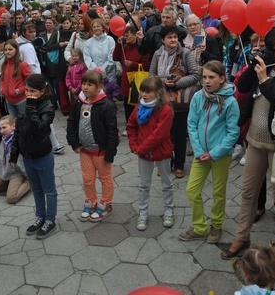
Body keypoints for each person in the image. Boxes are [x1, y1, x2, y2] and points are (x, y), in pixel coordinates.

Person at [221, 23, 275, 259]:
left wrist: (266, 80)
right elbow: (243, 87)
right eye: (273, 50)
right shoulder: (268, 62)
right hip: (255, 139)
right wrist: (256, 63)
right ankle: (241, 238)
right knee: (248, 192)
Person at [179, 61, 239, 244]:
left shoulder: (230, 102)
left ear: (222, 78)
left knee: (218, 192)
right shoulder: (198, 96)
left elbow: (233, 133)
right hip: (200, 153)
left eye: (211, 77)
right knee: (192, 190)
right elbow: (192, 123)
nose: (207, 81)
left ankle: (217, 225)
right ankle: (200, 227)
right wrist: (198, 150)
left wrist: (214, 153)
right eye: (204, 77)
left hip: (220, 155)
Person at [66, 70, 119, 222]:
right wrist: (74, 142)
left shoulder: (106, 105)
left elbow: (111, 130)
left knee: (105, 178)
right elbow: (71, 122)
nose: (85, 87)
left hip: (100, 151)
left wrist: (110, 153)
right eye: (84, 84)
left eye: (90, 85)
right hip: (85, 150)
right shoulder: (79, 102)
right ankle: (91, 202)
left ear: (99, 86)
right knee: (88, 179)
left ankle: (107, 204)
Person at [10, 74, 57, 239]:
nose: (29, 94)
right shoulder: (23, 106)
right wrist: (14, 154)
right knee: (36, 189)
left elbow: (40, 130)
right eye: (27, 90)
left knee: (49, 190)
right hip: (27, 157)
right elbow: (18, 131)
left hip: (42, 156)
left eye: (33, 91)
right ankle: (40, 217)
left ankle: (50, 219)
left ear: (42, 91)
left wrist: (31, 107)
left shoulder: (48, 107)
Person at [149, 25, 200, 178]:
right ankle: (165, 163)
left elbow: (195, 75)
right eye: (169, 37)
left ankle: (179, 165)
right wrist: (164, 81)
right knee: (164, 134)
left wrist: (177, 83)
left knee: (179, 134)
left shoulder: (185, 53)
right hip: (162, 100)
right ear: (163, 40)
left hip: (180, 101)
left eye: (175, 37)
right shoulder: (158, 54)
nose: (173, 40)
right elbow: (151, 75)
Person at [127, 76, 174, 231]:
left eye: (148, 92)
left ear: (159, 93)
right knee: (144, 185)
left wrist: (141, 149)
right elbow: (131, 125)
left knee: (166, 183)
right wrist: (134, 144)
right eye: (143, 91)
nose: (144, 95)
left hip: (161, 152)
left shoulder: (165, 109)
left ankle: (168, 210)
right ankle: (143, 213)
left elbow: (158, 135)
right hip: (144, 153)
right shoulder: (139, 107)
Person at [0, 115, 30, 203]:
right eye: (0, 128)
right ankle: (8, 184)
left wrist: (27, 175)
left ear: (13, 126)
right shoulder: (4, 139)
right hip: (4, 171)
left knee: (11, 198)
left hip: (17, 172)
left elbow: (21, 162)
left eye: (4, 127)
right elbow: (0, 157)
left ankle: (28, 184)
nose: (2, 131)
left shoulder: (19, 140)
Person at [0, 40, 32, 117]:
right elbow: (2, 79)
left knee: (23, 122)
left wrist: (18, 90)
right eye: (5, 50)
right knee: (13, 123)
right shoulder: (4, 64)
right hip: (8, 100)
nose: (7, 52)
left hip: (21, 100)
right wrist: (2, 88)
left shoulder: (22, 65)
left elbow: (30, 81)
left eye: (10, 49)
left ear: (16, 50)